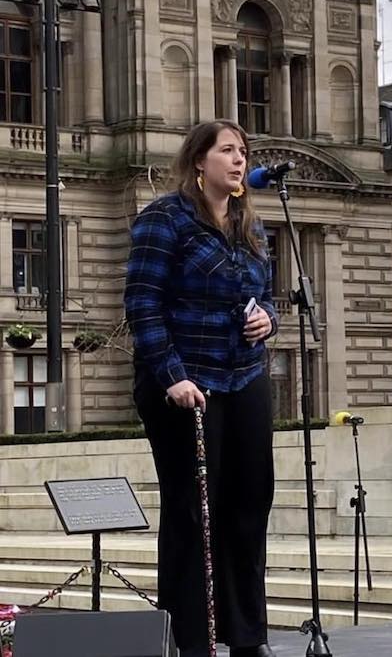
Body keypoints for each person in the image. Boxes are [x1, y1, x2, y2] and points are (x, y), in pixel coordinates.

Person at [125, 120, 278, 657]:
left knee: (250, 500)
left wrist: (269, 321)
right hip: (186, 382)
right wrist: (173, 377)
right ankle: (191, 639)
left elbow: (266, 296)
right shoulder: (164, 220)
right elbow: (143, 306)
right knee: (194, 510)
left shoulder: (250, 225)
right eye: (228, 151)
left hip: (244, 376)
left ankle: (246, 635)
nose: (239, 160)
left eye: (244, 151)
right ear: (199, 161)